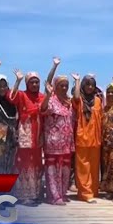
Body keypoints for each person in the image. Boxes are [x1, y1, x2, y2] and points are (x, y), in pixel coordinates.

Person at [6, 69, 45, 205]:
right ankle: (23, 195)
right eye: (32, 82)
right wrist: (18, 80)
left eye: (37, 82)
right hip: (25, 134)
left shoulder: (41, 96)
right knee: (24, 164)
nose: (35, 85)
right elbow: (10, 97)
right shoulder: (22, 95)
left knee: (36, 164)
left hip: (38, 135)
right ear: (27, 84)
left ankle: (35, 193)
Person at [41, 76, 75, 205]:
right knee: (52, 170)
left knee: (66, 169)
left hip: (66, 142)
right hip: (53, 141)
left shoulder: (69, 102)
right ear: (56, 86)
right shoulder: (51, 100)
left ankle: (62, 193)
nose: (64, 88)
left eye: (66, 85)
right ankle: (54, 196)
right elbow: (43, 109)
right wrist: (48, 95)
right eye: (62, 85)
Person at [72, 74, 103, 203]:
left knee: (94, 167)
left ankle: (93, 190)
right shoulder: (79, 100)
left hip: (95, 138)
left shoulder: (98, 100)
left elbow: (101, 118)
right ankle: (85, 193)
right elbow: (76, 96)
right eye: (87, 84)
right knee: (83, 167)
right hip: (82, 138)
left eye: (92, 85)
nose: (90, 87)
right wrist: (78, 81)